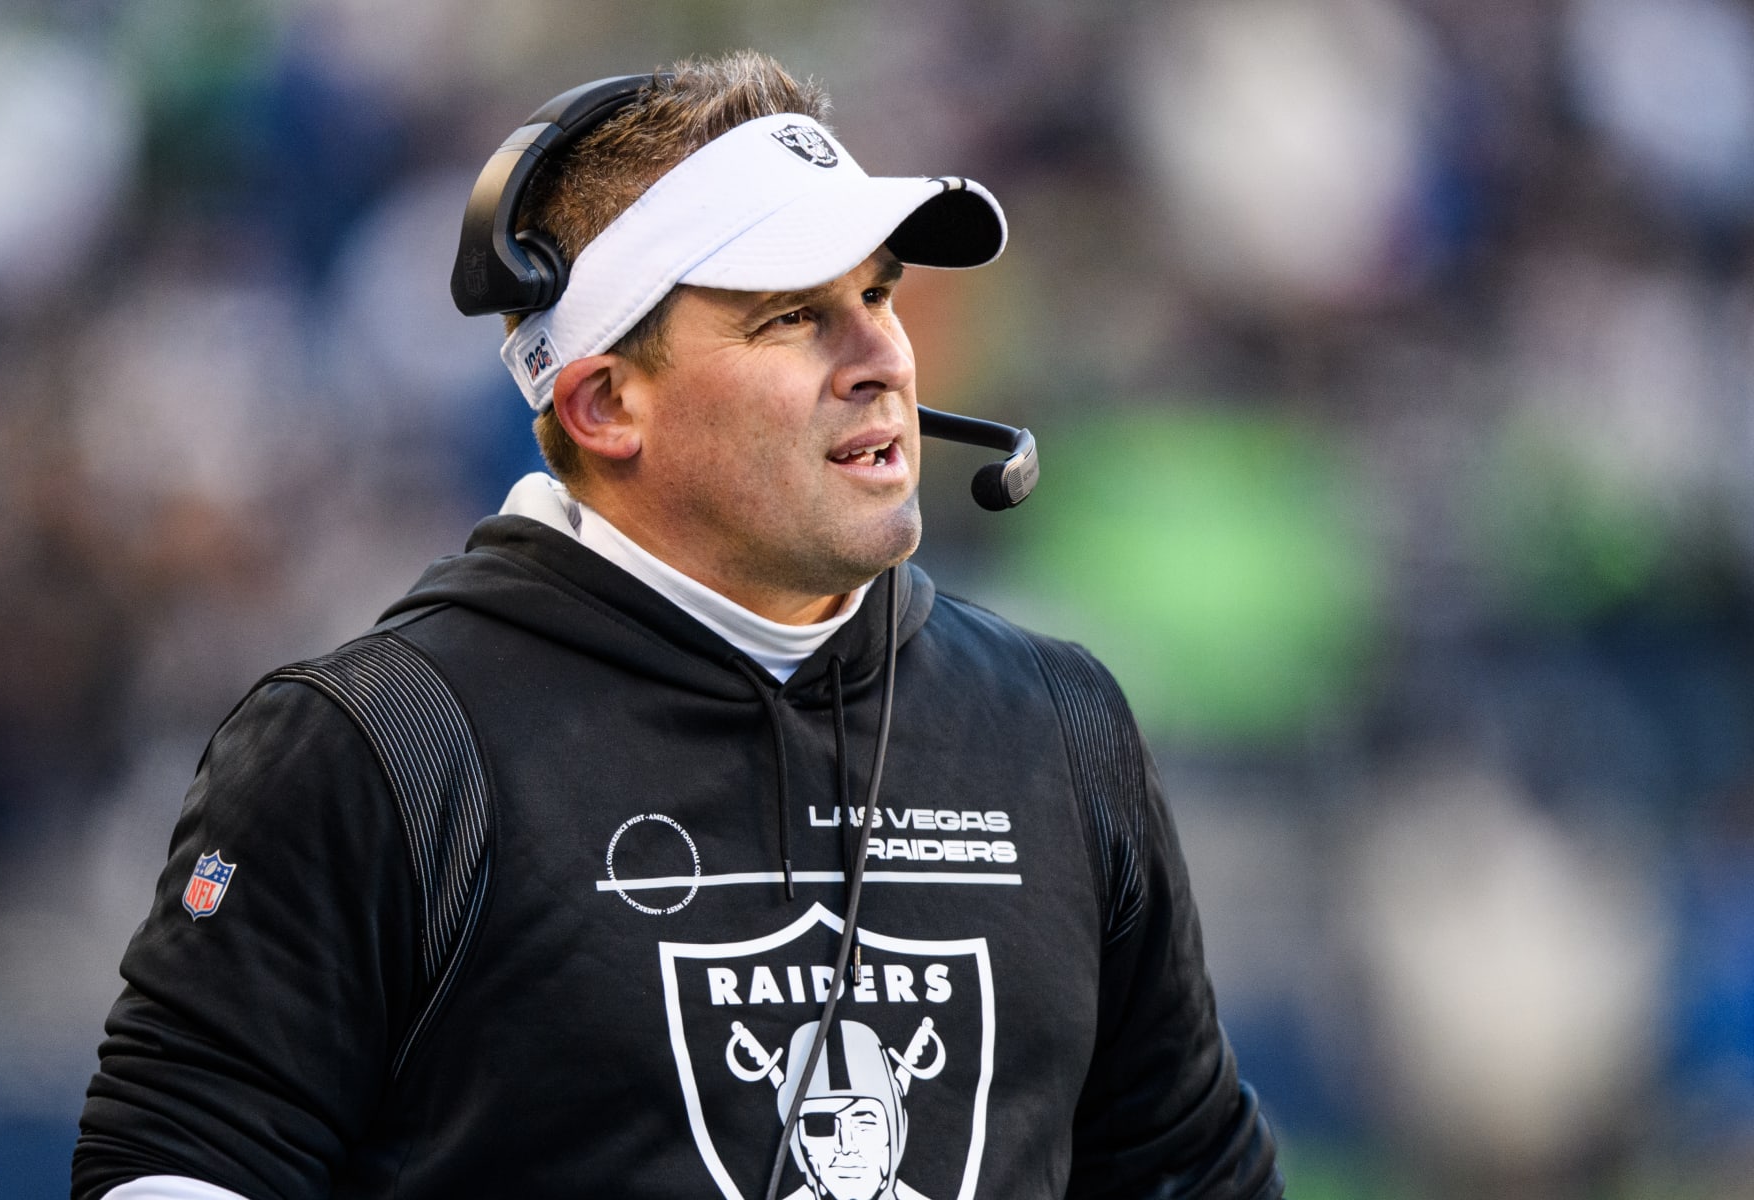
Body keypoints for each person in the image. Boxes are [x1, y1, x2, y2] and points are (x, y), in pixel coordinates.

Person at [73, 51, 1282, 1200]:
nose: (882, 359)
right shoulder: (379, 745)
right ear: (605, 403)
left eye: (877, 294)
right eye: (792, 317)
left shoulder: (1057, 723)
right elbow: (177, 1161)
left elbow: (1190, 1169)